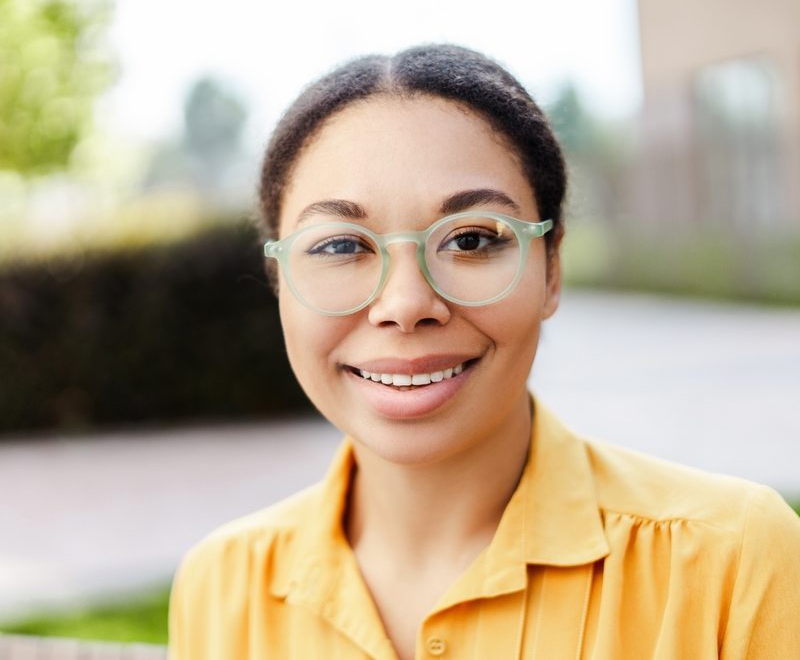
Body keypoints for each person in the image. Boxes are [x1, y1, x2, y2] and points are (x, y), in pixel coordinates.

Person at [168, 45, 800, 659]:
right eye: (340, 246)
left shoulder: (730, 561)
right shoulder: (222, 589)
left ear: (551, 268)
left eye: (471, 238)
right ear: (279, 281)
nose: (407, 302)